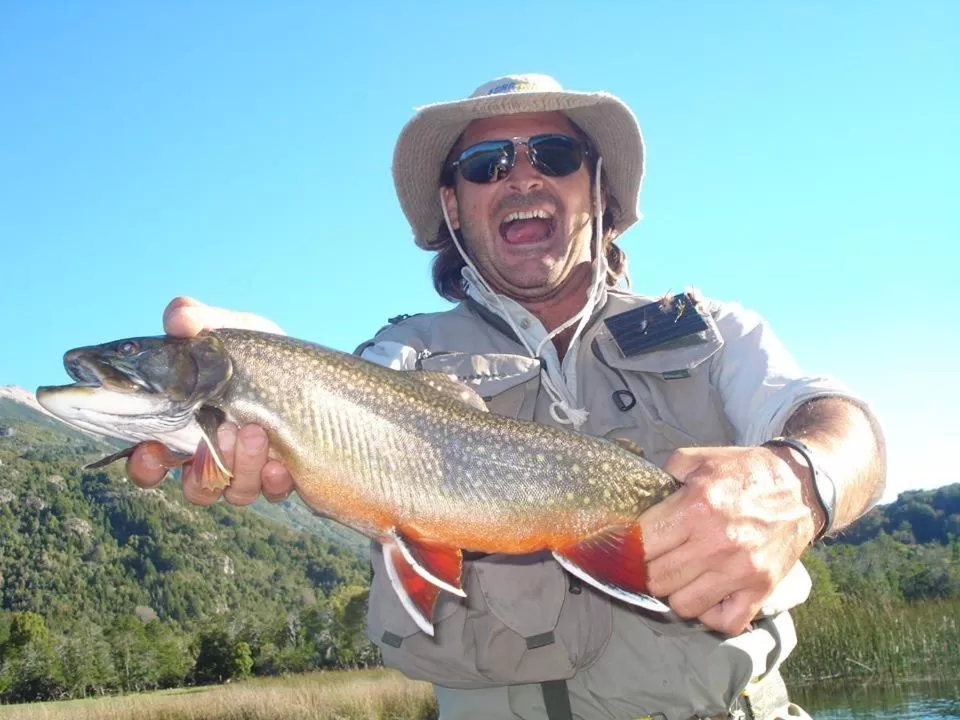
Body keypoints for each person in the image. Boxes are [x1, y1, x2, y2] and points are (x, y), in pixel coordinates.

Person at [128, 74, 885, 720]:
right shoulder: (403, 353)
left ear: (597, 187)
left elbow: (849, 431)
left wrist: (802, 478)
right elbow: (339, 393)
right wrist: (256, 364)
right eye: (487, 163)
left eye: (553, 155)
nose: (521, 177)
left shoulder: (715, 329)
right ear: (454, 207)